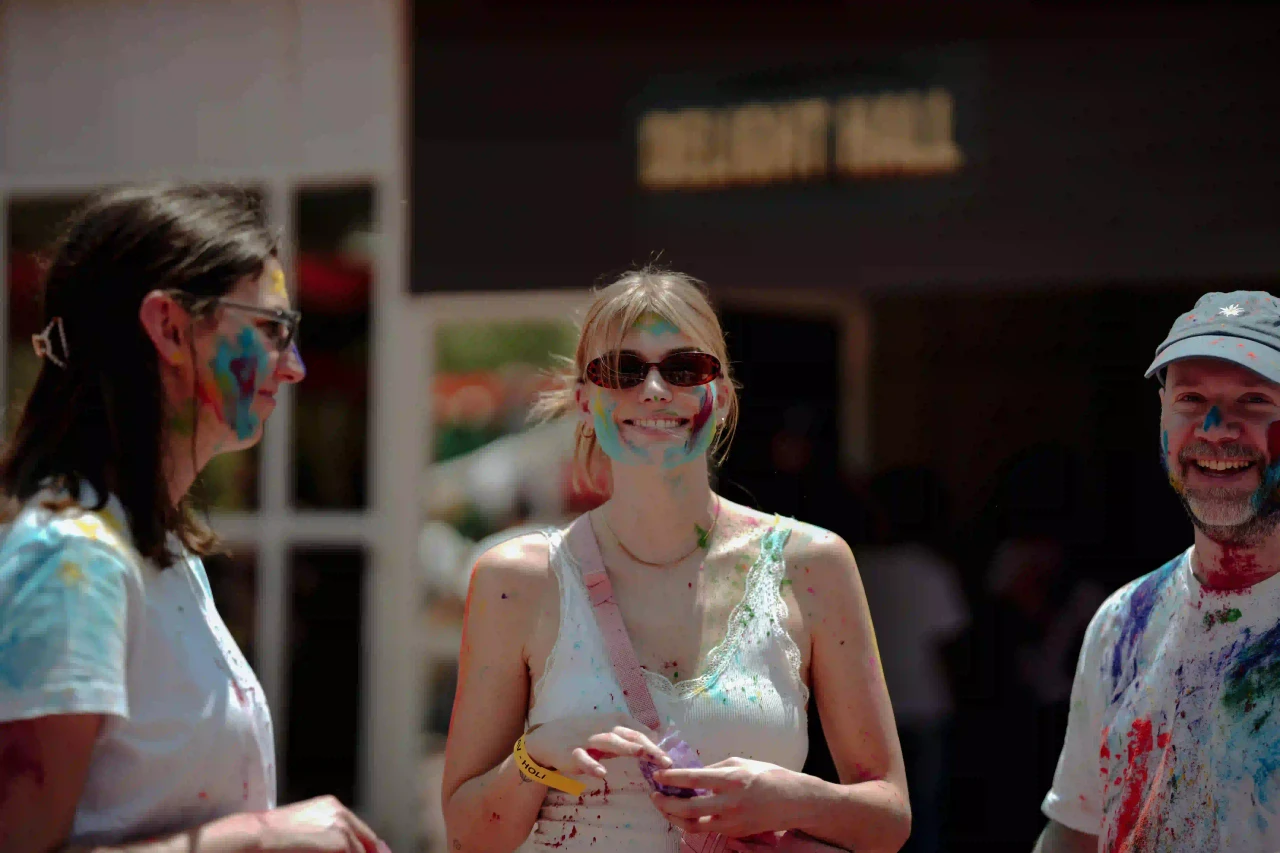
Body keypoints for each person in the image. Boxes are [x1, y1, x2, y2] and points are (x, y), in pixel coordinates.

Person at [441, 268, 910, 853]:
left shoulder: (810, 564)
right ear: (584, 400)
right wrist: (534, 759)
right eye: (623, 370)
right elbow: (468, 834)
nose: (656, 390)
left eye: (686, 369)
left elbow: (889, 818)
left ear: (722, 395)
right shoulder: (517, 578)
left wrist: (792, 797)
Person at [0, 185, 386, 853]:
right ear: (170, 328)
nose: (294, 367)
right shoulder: (72, 557)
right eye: (272, 329)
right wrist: (258, 839)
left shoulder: (148, 544)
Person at [1035, 291, 1280, 853]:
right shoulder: (1123, 622)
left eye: (1254, 400)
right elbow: (1075, 830)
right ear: (1163, 415)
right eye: (1192, 398)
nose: (1216, 428)